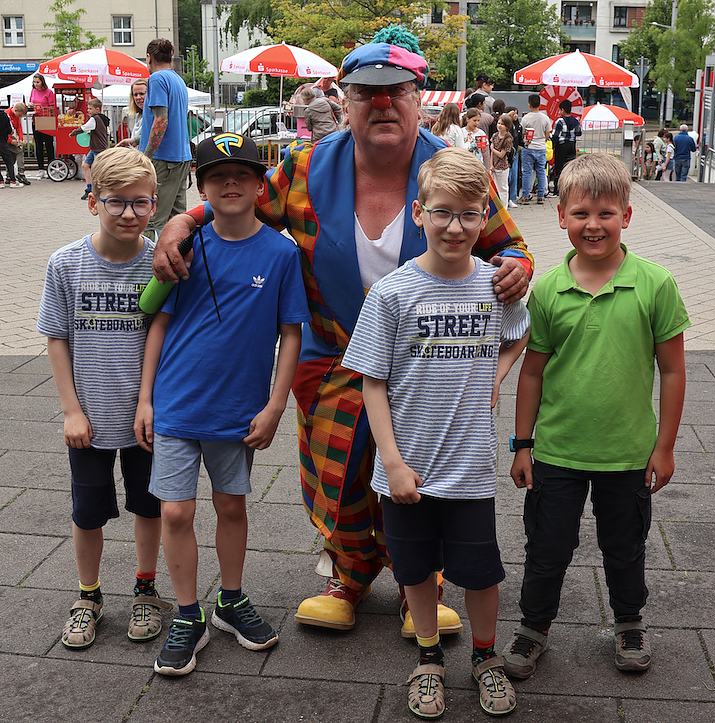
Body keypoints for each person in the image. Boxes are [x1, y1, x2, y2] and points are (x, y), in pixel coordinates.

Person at [150, 29, 532, 638]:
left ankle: (421, 584)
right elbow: (238, 201)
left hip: (421, 362)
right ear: (344, 102)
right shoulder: (304, 167)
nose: (382, 105)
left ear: (419, 97)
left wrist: (516, 266)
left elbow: (506, 242)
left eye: (397, 92)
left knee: (419, 472)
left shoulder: (449, 172)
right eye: (366, 94)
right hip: (331, 354)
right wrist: (180, 225)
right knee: (335, 478)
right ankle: (349, 574)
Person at [343, 147, 529, 718]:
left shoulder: (496, 286)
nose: (456, 226)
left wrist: (494, 378)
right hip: (408, 467)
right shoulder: (393, 293)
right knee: (417, 570)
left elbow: (521, 333)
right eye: (443, 212)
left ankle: (484, 656)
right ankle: (428, 659)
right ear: (419, 212)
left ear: (483, 218)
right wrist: (392, 463)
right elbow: (372, 382)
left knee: (479, 571)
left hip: (471, 467)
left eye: (470, 214)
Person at [502, 152, 689, 681]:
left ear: (627, 216)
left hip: (627, 453)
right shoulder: (546, 290)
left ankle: (629, 622)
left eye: (606, 213)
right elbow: (532, 372)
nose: (593, 225)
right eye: (581, 213)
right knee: (547, 546)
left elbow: (672, 371)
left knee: (625, 547)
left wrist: (665, 446)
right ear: (560, 215)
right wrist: (522, 443)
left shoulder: (655, 284)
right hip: (557, 451)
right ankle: (534, 625)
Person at [134, 133, 310, 676]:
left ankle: (230, 600)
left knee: (232, 505)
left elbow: (291, 334)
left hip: (239, 408)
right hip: (177, 403)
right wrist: (145, 398)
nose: (230, 184)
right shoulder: (182, 247)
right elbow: (158, 323)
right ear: (201, 186)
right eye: (216, 177)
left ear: (261, 185)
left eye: (241, 176)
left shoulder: (282, 254)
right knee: (176, 509)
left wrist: (276, 404)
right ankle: (188, 615)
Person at [36, 146, 169, 651]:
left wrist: (150, 402)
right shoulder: (65, 264)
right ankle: (87, 596)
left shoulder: (161, 263)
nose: (129, 213)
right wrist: (71, 409)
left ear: (155, 204)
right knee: (87, 511)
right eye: (116, 202)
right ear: (93, 202)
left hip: (144, 418)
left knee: (148, 507)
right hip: (87, 419)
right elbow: (57, 338)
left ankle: (145, 589)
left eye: (140, 203)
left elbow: (165, 339)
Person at [139, 38, 192, 238]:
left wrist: (145, 157)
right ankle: (181, 264)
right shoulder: (178, 80)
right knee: (177, 219)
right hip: (181, 158)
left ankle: (146, 268)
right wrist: (136, 139)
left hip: (163, 160)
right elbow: (173, 121)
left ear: (149, 57)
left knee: (150, 220)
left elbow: (161, 121)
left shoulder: (156, 79)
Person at [69, 98, 109, 201]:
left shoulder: (94, 118)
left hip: (98, 148)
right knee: (85, 165)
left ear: (97, 109)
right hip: (97, 147)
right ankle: (89, 188)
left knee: (98, 171)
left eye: (90, 109)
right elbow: (105, 132)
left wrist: (73, 133)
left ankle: (100, 191)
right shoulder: (103, 119)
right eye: (88, 108)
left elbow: (83, 128)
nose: (88, 110)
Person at [519, 93, 552, 206]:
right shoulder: (545, 118)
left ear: (529, 105)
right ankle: (541, 196)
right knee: (541, 172)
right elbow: (547, 134)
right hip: (541, 147)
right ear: (540, 104)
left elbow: (522, 134)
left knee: (527, 172)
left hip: (528, 147)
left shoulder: (525, 118)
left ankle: (525, 196)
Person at [550, 99, 582, 196]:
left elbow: (555, 135)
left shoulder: (560, 121)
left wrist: (553, 145)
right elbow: (579, 133)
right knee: (570, 167)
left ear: (562, 110)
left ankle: (558, 189)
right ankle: (569, 189)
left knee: (559, 167)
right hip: (572, 146)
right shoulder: (576, 120)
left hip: (561, 146)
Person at [29, 72, 56, 180]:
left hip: (46, 119)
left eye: (37, 82)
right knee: (38, 144)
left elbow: (52, 106)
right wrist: (31, 104)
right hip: (36, 119)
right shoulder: (33, 91)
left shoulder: (49, 92)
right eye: (34, 82)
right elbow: (31, 102)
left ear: (42, 82)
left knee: (48, 144)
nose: (36, 84)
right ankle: (41, 168)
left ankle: (51, 167)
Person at [490, 114, 514, 207]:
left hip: (503, 167)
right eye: (499, 123)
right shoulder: (495, 135)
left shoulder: (508, 139)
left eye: (502, 124)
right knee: (494, 188)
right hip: (494, 166)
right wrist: (491, 165)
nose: (499, 125)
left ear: (507, 126)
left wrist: (492, 149)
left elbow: (501, 155)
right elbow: (492, 153)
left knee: (503, 188)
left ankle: (504, 207)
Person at [4, 103, 31, 185]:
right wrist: (10, 141)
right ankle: (21, 173)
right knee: (19, 152)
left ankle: (9, 176)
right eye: (19, 115)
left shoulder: (15, 115)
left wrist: (21, 138)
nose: (19, 117)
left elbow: (19, 126)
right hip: (6, 138)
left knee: (12, 155)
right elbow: (3, 130)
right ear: (15, 110)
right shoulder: (6, 115)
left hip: (9, 136)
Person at [118, 80, 149, 149]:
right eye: (135, 94)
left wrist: (134, 140)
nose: (138, 97)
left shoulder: (153, 114)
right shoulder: (138, 116)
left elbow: (154, 135)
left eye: (141, 93)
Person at [0, 108, 22, 187]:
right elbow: (10, 129)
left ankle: (0, 181)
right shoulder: (4, 115)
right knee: (9, 161)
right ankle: (12, 180)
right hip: (2, 140)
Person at [505, 107, 523, 208]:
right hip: (506, 153)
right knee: (508, 176)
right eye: (513, 114)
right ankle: (506, 198)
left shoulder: (518, 126)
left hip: (514, 153)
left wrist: (526, 143)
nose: (515, 116)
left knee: (514, 176)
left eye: (516, 114)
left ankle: (512, 197)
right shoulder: (506, 126)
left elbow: (519, 140)